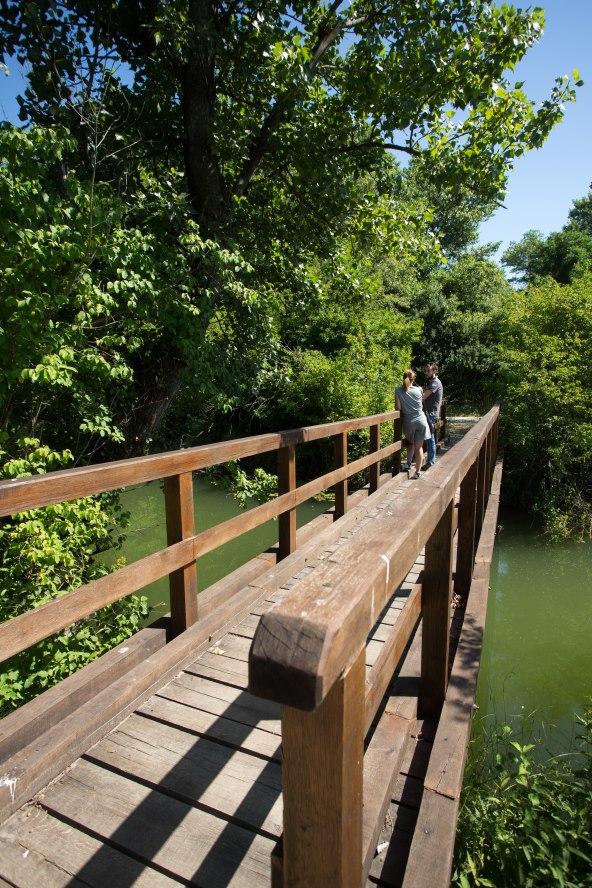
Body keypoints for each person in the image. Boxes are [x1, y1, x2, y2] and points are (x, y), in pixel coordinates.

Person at [395, 369, 431, 480]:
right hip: (422, 421)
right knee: (419, 447)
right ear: (413, 379)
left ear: (403, 378)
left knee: (410, 442)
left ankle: (407, 464)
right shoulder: (419, 389)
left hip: (409, 422)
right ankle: (417, 472)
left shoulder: (398, 390)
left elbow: (398, 408)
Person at [422, 362, 443, 468]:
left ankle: (430, 462)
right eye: (426, 370)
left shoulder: (435, 383)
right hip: (430, 414)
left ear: (434, 371)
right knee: (427, 437)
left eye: (428, 370)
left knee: (430, 438)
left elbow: (424, 396)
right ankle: (423, 459)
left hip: (431, 414)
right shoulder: (432, 382)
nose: (426, 373)